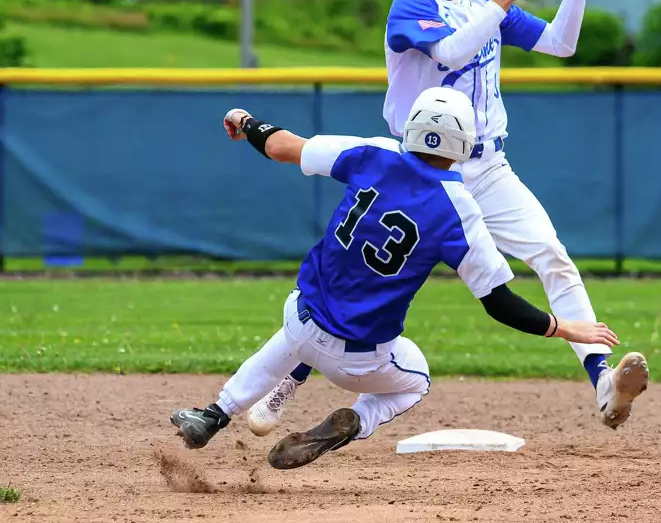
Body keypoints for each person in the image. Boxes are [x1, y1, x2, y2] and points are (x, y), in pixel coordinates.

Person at [249, 0, 649, 436]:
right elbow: (448, 50)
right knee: (363, 276)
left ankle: (602, 382)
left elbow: (561, 43)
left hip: (488, 167)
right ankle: (287, 382)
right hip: (420, 170)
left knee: (552, 257)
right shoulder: (410, 3)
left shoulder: (482, 4)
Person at [170, 86, 620, 469]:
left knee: (297, 329)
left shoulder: (375, 153)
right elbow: (498, 301)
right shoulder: (459, 208)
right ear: (464, 144)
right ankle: (357, 422)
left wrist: (245, 121)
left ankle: (215, 413)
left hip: (301, 317)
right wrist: (564, 328)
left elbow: (281, 146)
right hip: (359, 362)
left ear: (412, 127)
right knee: (417, 379)